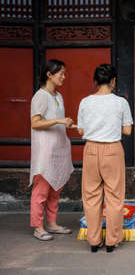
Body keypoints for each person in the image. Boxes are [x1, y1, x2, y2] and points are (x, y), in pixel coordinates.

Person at [77, 64, 133, 253]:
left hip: (91, 149)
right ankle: (112, 240)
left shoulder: (85, 102)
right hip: (112, 150)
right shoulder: (121, 102)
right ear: (113, 81)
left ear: (95, 81)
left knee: (91, 196)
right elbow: (127, 130)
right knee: (114, 196)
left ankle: (93, 241)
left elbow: (81, 130)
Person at [30, 59, 74, 241]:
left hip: (58, 149)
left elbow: (58, 121)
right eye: (61, 73)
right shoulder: (40, 96)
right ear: (49, 74)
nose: (64, 76)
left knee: (55, 190)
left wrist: (67, 124)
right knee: (41, 191)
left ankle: (52, 223)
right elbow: (35, 123)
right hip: (45, 151)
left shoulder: (58, 96)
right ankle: (38, 227)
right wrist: (58, 121)